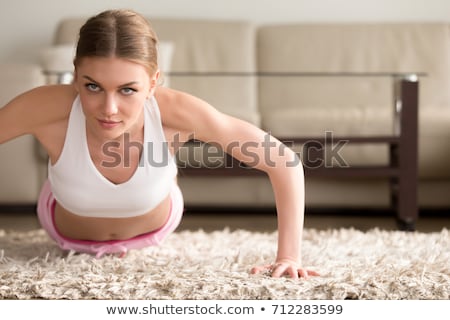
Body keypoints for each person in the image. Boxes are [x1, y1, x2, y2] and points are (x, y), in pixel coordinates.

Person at [0, 9, 318, 279]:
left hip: (154, 228)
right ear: (75, 76)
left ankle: (163, 172)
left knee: (160, 148)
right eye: (93, 86)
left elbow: (284, 161)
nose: (108, 108)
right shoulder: (45, 107)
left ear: (153, 83)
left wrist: (289, 256)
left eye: (127, 90)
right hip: (65, 231)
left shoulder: (178, 112)